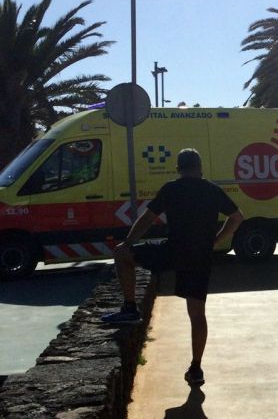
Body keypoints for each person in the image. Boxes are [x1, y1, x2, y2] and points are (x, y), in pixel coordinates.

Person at [101, 148, 244, 386]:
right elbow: (237, 217)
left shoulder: (171, 189)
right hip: (200, 257)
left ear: (178, 169)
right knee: (197, 314)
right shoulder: (212, 190)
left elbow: (147, 219)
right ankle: (196, 368)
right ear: (200, 168)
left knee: (122, 255)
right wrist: (216, 241)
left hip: (172, 251)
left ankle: (130, 307)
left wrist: (127, 243)